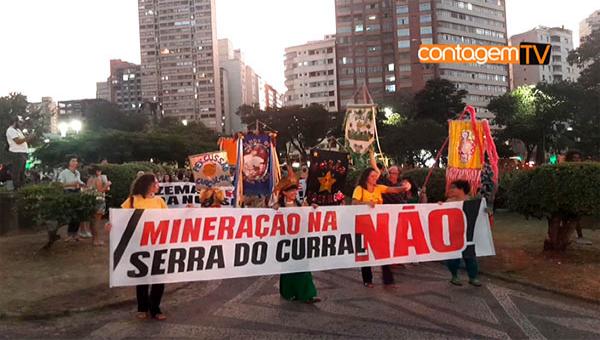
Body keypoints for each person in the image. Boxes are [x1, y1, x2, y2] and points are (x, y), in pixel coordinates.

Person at [108, 173, 168, 320]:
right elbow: (120, 219)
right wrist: (110, 225)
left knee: (158, 279)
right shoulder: (132, 200)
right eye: (155, 183)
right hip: (139, 245)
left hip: (158, 244)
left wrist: (189, 210)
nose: (157, 185)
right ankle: (142, 308)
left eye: (157, 183)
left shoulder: (160, 201)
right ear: (146, 184)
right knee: (142, 278)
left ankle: (155, 309)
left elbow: (170, 220)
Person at [352, 150, 410, 287]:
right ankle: (368, 280)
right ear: (366, 177)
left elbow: (393, 190)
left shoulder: (379, 188)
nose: (374, 178)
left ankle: (388, 279)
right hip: (364, 225)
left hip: (379, 225)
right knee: (365, 253)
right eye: (372, 176)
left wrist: (404, 187)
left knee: (383, 251)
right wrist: (365, 203)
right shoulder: (360, 189)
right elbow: (353, 203)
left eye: (375, 176)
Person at [270, 175, 321, 303]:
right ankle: (288, 292)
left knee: (303, 266)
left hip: (300, 239)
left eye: (295, 190)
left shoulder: (301, 204)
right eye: (291, 191)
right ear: (284, 193)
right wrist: (273, 209)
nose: (294, 193)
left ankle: (307, 294)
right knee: (288, 267)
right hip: (286, 241)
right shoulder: (279, 206)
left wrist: (312, 207)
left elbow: (307, 216)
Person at [445, 180, 481, 287]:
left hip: (467, 234)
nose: (450, 190)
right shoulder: (449, 202)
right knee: (453, 257)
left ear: (461, 189)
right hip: (454, 233)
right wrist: (439, 206)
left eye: (453, 188)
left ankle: (473, 277)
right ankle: (454, 276)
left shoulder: (471, 202)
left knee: (470, 256)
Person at [564, 149, 591, 245]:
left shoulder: (582, 169)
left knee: (576, 217)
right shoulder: (566, 169)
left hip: (578, 197)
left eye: (578, 158)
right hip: (567, 197)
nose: (576, 160)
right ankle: (566, 237)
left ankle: (579, 236)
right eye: (574, 158)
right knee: (567, 217)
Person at [58, 157, 86, 241]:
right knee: (71, 213)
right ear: (69, 163)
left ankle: (75, 234)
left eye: (76, 161)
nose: (75, 163)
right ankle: (69, 234)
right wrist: (72, 184)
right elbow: (60, 185)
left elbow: (79, 181)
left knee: (78, 213)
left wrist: (82, 184)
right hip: (69, 192)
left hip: (77, 192)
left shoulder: (77, 172)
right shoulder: (64, 173)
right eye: (73, 161)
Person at [86, 166, 111, 246]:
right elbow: (100, 191)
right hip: (99, 200)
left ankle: (94, 239)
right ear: (97, 171)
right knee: (97, 221)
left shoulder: (89, 179)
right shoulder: (98, 179)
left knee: (92, 220)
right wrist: (107, 185)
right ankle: (96, 240)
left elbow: (88, 190)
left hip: (91, 200)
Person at [5, 117, 32, 190]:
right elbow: (18, 141)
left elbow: (23, 141)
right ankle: (17, 188)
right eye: (19, 122)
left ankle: (22, 188)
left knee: (22, 173)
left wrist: (29, 137)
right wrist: (27, 137)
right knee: (17, 172)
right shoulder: (10, 130)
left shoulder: (18, 130)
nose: (21, 124)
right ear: (15, 122)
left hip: (22, 153)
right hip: (16, 153)